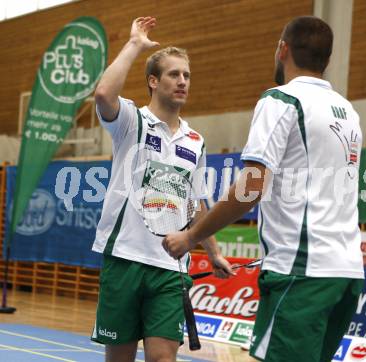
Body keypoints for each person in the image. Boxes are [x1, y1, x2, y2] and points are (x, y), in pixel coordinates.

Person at [163, 16, 365, 362]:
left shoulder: (282, 101)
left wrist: (192, 236)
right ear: (326, 60)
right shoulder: (348, 112)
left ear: (282, 50)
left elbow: (251, 189)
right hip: (346, 275)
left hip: (301, 273)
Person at [91, 17, 233, 362]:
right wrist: (135, 45)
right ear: (153, 81)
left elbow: (197, 201)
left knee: (163, 358)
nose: (183, 81)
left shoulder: (196, 141)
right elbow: (104, 94)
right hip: (124, 258)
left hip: (170, 267)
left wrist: (212, 252)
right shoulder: (131, 122)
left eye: (186, 75)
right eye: (174, 74)